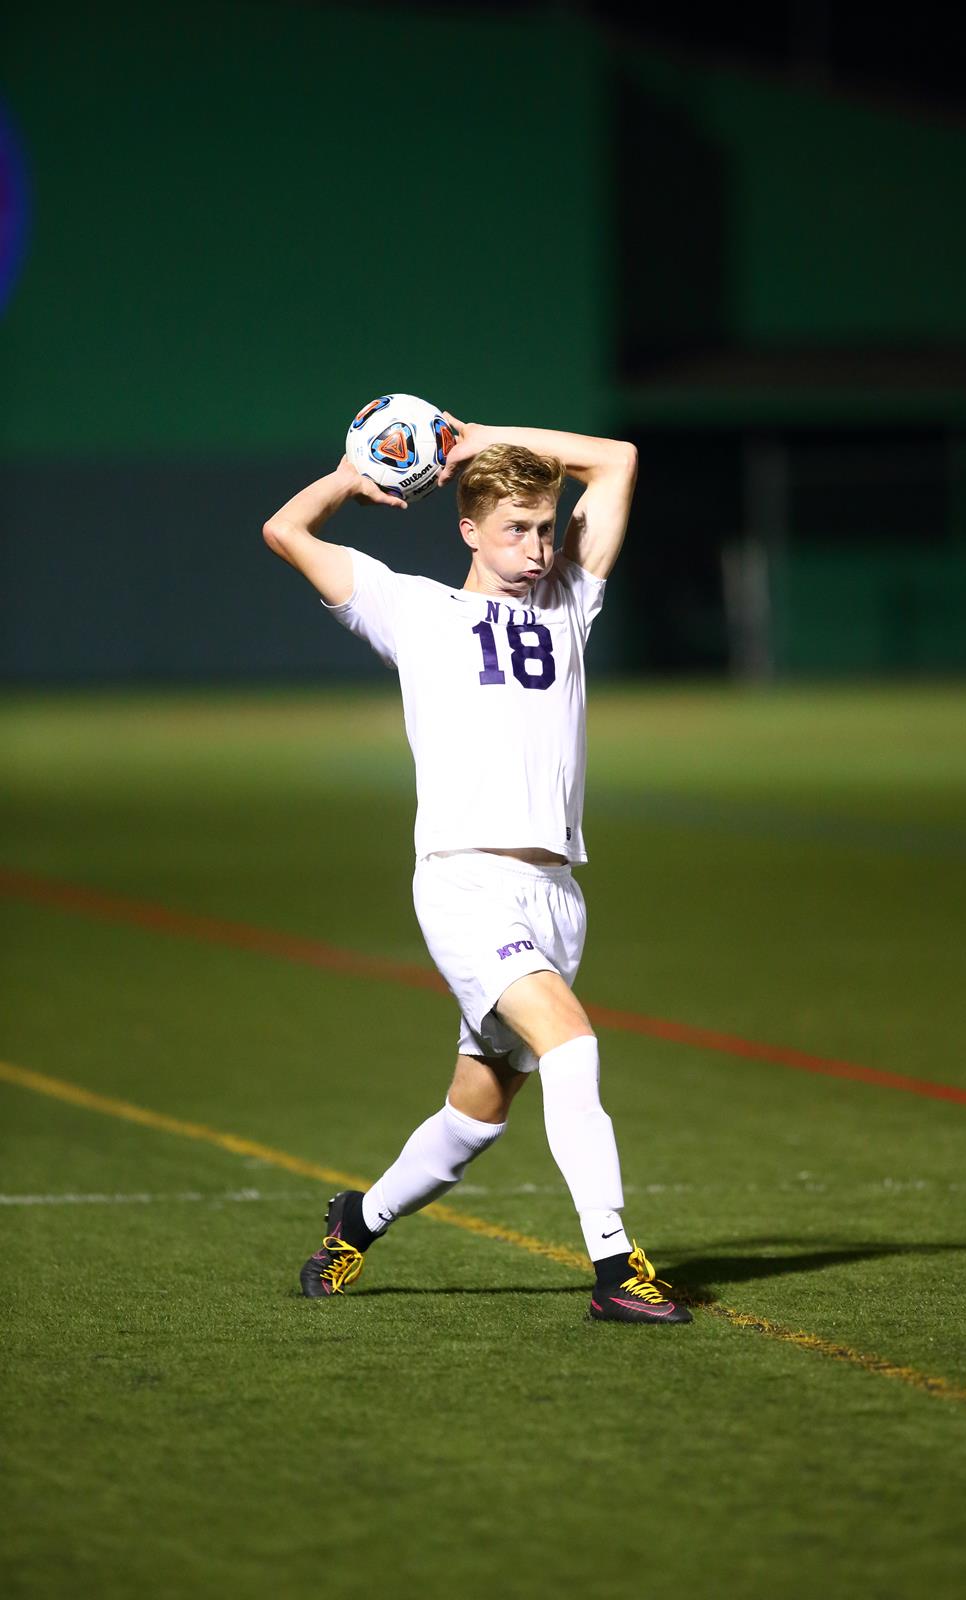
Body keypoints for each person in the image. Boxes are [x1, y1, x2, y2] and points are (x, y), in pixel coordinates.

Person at [262, 409, 690, 1324]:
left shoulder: (571, 598)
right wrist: (349, 475)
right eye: (515, 530)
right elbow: (286, 531)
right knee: (572, 1047)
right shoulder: (415, 609)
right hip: (464, 882)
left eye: (544, 528)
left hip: (555, 894)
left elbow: (615, 460)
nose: (537, 547)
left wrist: (474, 436)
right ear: (468, 530)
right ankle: (616, 1271)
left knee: (475, 1115)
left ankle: (354, 1223)